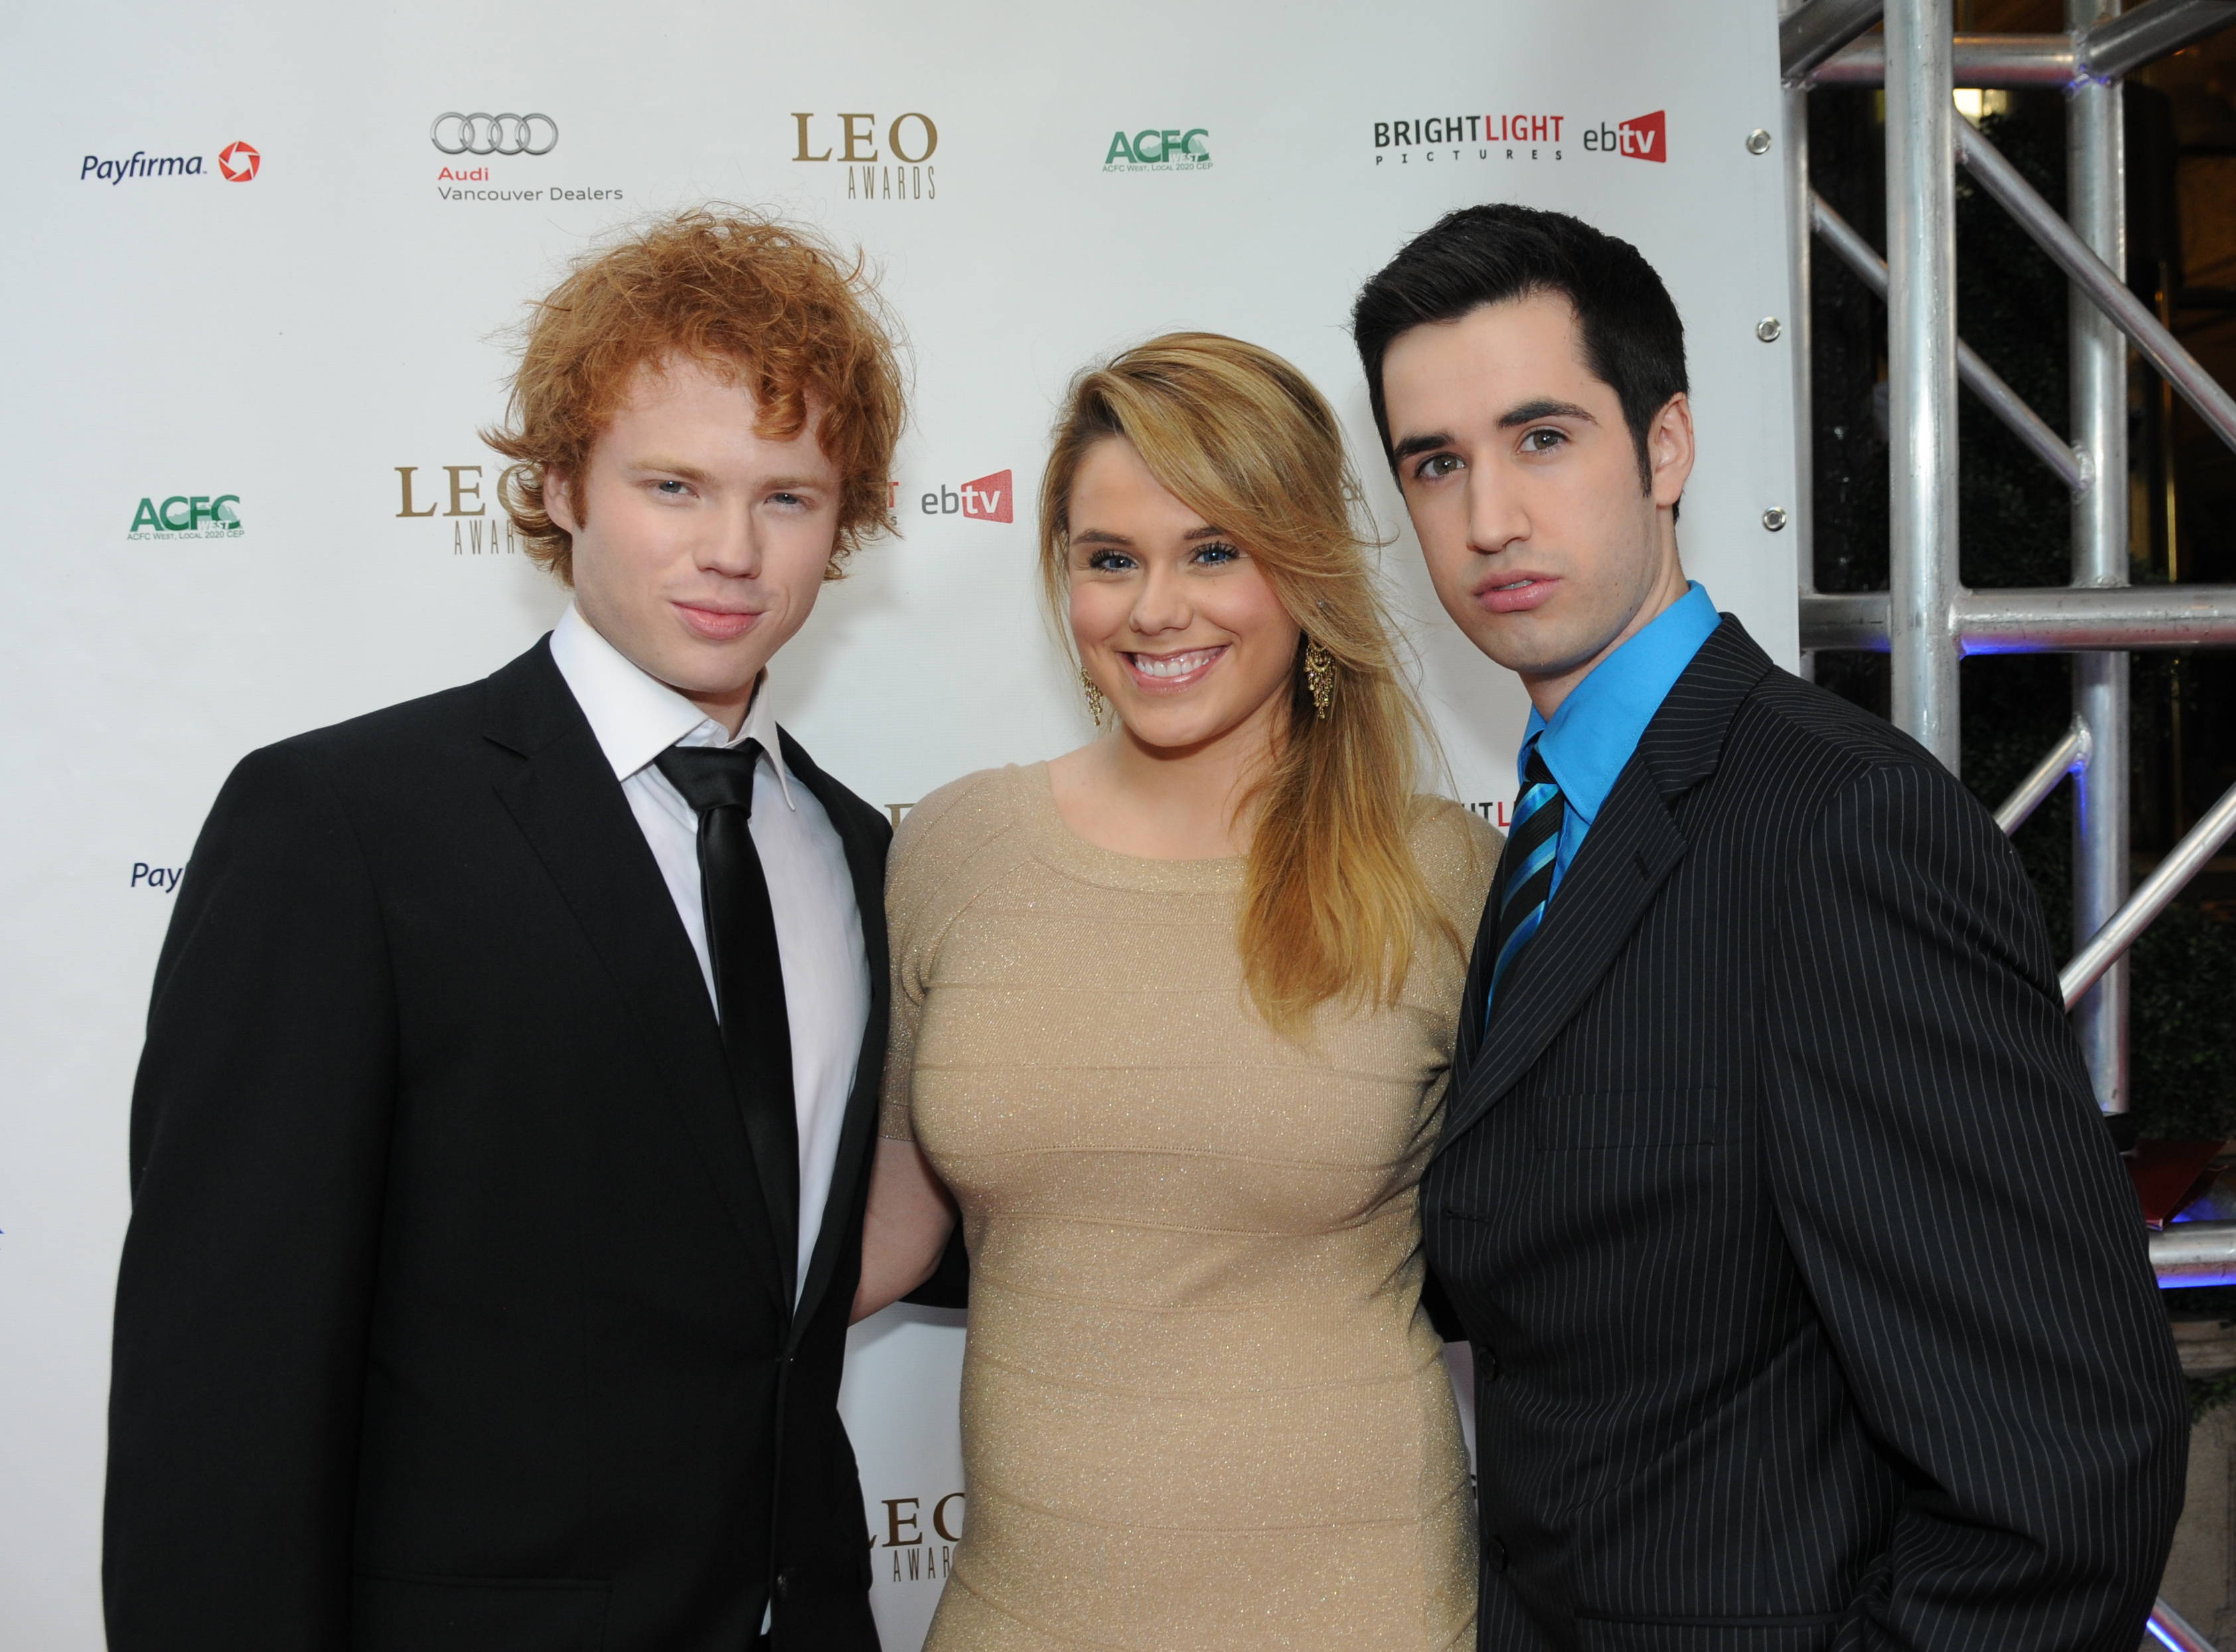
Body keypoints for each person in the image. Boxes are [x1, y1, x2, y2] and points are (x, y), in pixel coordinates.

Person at [1350, 202, 2188, 1651]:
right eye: (1436, 462)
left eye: (1542, 437)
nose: (1487, 517)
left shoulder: (1837, 826)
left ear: (1664, 447)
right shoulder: (1556, 820)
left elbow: (2064, 1470)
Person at [104, 208, 904, 1651]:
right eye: (674, 483)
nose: (732, 550)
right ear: (559, 484)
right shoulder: (341, 822)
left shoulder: (857, 850)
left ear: (842, 520)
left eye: (787, 497)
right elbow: (220, 1379)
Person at [853, 333, 1498, 1650]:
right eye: (1109, 558)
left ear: (1304, 564)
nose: (1155, 609)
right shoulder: (956, 847)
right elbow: (888, 1225)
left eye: (1214, 550)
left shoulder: (1442, 873)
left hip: (1358, 1609)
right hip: (1020, 1614)